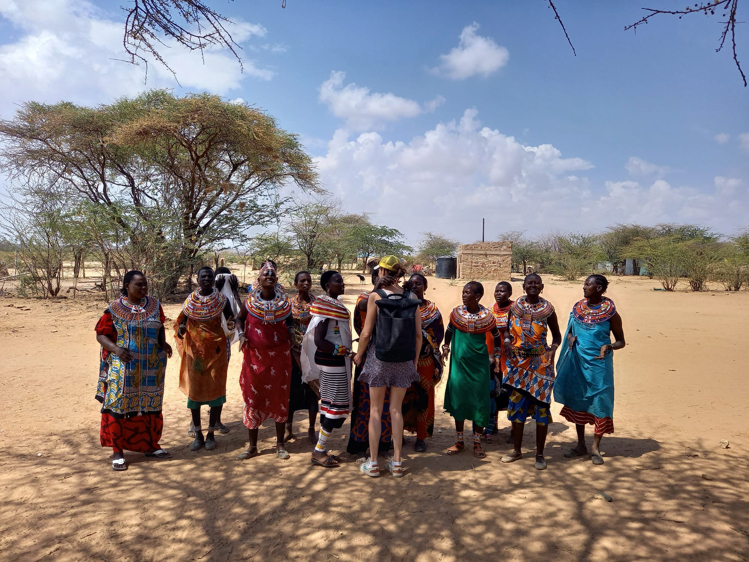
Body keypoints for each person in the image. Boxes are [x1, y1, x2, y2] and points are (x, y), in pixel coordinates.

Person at [94, 270, 173, 471]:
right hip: (124, 367)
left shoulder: (154, 305)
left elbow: (160, 325)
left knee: (151, 405)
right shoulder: (114, 308)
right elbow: (101, 335)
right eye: (139, 284)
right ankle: (118, 452)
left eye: (145, 284)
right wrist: (117, 350)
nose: (143, 288)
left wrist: (162, 343)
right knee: (119, 407)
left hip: (152, 366)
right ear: (127, 285)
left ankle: (151, 446)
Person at [354, 256, 422, 478]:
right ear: (400, 274)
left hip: (379, 358)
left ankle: (373, 463)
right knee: (396, 410)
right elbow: (419, 336)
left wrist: (359, 355)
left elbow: (366, 333)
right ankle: (397, 462)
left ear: (382, 272)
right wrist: (413, 361)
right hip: (404, 359)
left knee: (375, 410)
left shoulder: (376, 296)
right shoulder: (412, 297)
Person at [554, 275, 626, 465]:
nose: (584, 287)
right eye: (585, 284)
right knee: (580, 399)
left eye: (588, 284)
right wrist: (569, 338)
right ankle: (580, 445)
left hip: (599, 365)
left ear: (600, 288)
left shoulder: (610, 314)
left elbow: (621, 341)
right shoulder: (578, 309)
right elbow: (570, 330)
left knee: (600, 401)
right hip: (577, 362)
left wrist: (609, 347)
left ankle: (595, 447)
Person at [501, 273, 561, 470]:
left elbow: (557, 337)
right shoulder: (515, 307)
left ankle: (540, 454)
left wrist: (552, 352)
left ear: (542, 286)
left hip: (541, 363)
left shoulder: (548, 309)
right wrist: (508, 342)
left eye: (536, 283)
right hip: (517, 363)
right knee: (517, 406)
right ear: (524, 286)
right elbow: (507, 330)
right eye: (529, 283)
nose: (533, 286)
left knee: (541, 408)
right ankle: (517, 451)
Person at [235, 260, 294, 460]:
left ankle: (279, 445)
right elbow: (239, 318)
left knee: (279, 397)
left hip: (279, 358)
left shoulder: (285, 303)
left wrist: (292, 332)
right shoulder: (250, 302)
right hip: (254, 359)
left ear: (276, 280)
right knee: (254, 397)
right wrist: (242, 334)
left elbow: (290, 320)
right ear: (258, 279)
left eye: (272, 275)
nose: (269, 277)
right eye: (265, 275)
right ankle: (252, 446)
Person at [175, 266, 235, 452]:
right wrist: (181, 330)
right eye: (203, 276)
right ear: (197, 280)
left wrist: (231, 327)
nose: (207, 279)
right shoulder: (190, 301)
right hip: (195, 353)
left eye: (210, 276)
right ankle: (198, 434)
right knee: (195, 392)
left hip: (216, 351)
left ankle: (210, 434)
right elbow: (181, 323)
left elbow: (231, 319)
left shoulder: (222, 300)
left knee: (216, 390)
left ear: (214, 279)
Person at [441, 282, 502, 459]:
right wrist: (446, 346)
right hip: (459, 366)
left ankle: (477, 442)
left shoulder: (487, 317)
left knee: (479, 402)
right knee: (459, 400)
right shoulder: (456, 313)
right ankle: (459, 441)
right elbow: (449, 330)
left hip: (479, 366)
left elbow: (496, 337)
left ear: (477, 296)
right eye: (463, 292)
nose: (463, 295)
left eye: (467, 293)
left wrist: (496, 355)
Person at [301, 271, 353, 468]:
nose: (342, 283)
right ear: (327, 286)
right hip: (331, 362)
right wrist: (347, 351)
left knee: (331, 403)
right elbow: (320, 340)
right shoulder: (324, 307)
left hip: (335, 360)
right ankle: (318, 451)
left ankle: (321, 448)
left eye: (342, 280)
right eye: (337, 281)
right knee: (335, 405)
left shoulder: (334, 305)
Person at [347, 267, 394, 457]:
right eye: (381, 277)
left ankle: (383, 443)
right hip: (366, 355)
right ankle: (360, 442)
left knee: (386, 402)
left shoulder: (397, 298)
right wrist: (381, 291)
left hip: (388, 356)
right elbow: (364, 308)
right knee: (364, 402)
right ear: (374, 279)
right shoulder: (364, 298)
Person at [402, 273, 444, 453]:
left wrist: (431, 346)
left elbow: (439, 333)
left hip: (424, 362)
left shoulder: (432, 311)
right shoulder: (402, 306)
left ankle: (421, 437)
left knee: (423, 398)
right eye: (411, 283)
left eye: (418, 283)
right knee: (401, 397)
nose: (414, 286)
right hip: (403, 359)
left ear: (425, 287)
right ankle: (400, 434)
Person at [477, 281, 514, 443]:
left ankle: (515, 428)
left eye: (503, 291)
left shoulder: (515, 309)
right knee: (493, 390)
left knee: (512, 392)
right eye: (497, 291)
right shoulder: (490, 310)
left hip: (511, 358)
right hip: (492, 358)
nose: (499, 294)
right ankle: (494, 425)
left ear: (510, 293)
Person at [287, 271, 320, 444]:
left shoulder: (317, 304)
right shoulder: (288, 304)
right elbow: (285, 325)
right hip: (292, 354)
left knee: (312, 391)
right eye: (302, 280)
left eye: (308, 280)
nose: (306, 283)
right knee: (291, 392)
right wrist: (292, 342)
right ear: (295, 284)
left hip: (312, 353)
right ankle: (289, 429)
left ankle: (311, 430)